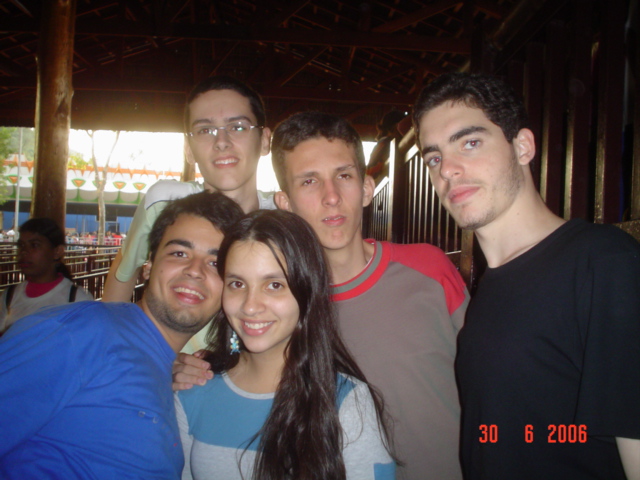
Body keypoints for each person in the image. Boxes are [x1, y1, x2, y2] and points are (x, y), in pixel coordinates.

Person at [174, 112, 469, 480]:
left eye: (343, 176)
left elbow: (492, 376)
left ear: (367, 188)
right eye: (310, 181)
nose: (331, 197)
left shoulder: (428, 269)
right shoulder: (280, 307)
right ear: (284, 202)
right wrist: (185, 367)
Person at [413, 72, 640, 480]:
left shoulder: (605, 263)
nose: (448, 170)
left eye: (470, 142)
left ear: (523, 146)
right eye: (434, 158)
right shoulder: (489, 289)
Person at [0, 192, 244, 479]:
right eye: (179, 253)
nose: (195, 271)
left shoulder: (178, 375)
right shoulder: (77, 332)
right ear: (148, 266)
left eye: (215, 263)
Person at [177, 209, 395, 480]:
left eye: (274, 285)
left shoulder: (347, 401)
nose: (250, 306)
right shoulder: (193, 388)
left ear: (308, 290)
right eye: (237, 284)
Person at [103, 75, 274, 304]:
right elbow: (123, 275)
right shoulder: (164, 202)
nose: (221, 141)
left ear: (264, 140)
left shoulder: (284, 215)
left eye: (238, 127)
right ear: (189, 150)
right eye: (205, 130)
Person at [0, 217, 93, 334]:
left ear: (57, 251)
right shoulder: (9, 295)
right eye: (21, 245)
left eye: (34, 245)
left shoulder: (77, 299)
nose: (24, 251)